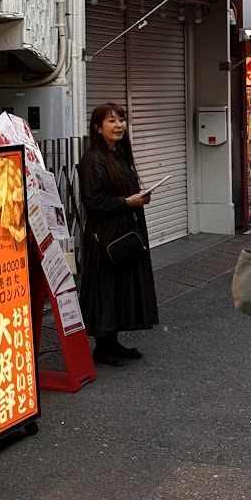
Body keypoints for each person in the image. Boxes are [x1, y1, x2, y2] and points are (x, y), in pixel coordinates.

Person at [77, 102, 159, 365]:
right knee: (106, 288)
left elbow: (122, 193)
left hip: (123, 233)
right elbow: (93, 200)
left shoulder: (119, 156)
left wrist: (138, 199)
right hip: (105, 237)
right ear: (97, 128)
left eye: (121, 120)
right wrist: (126, 202)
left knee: (120, 287)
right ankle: (103, 347)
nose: (119, 125)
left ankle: (113, 343)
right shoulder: (93, 159)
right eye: (111, 121)